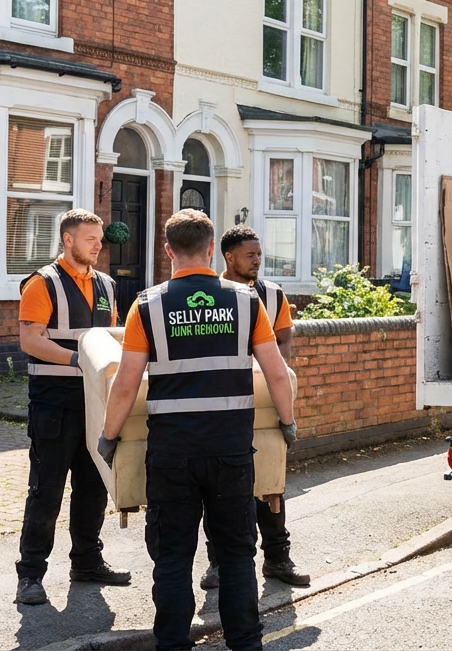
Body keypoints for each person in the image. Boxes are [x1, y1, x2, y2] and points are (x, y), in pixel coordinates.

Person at [98, 209, 296, 651]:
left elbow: (125, 382)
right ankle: (246, 644)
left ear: (169, 251)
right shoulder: (247, 302)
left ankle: (172, 645)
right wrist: (287, 422)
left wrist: (108, 436)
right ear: (211, 250)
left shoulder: (147, 305)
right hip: (231, 450)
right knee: (237, 555)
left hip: (172, 453)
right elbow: (277, 373)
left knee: (172, 558)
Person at [14, 209, 130, 605]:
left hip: (95, 402)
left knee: (93, 487)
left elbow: (109, 339)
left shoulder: (107, 285)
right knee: (46, 491)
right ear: (68, 240)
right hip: (54, 403)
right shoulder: (42, 283)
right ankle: (30, 575)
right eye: (90, 239)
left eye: (99, 238)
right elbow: (30, 340)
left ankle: (86, 562)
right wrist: (78, 360)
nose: (99, 245)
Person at [198, 225, 308, 590]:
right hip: (223, 406)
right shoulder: (210, 294)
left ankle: (277, 558)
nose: (257, 260)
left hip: (264, 401)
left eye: (259, 254)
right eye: (250, 255)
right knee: (220, 491)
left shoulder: (273, 294)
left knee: (271, 485)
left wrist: (276, 377)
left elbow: (284, 339)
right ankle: (217, 563)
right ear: (229, 257)